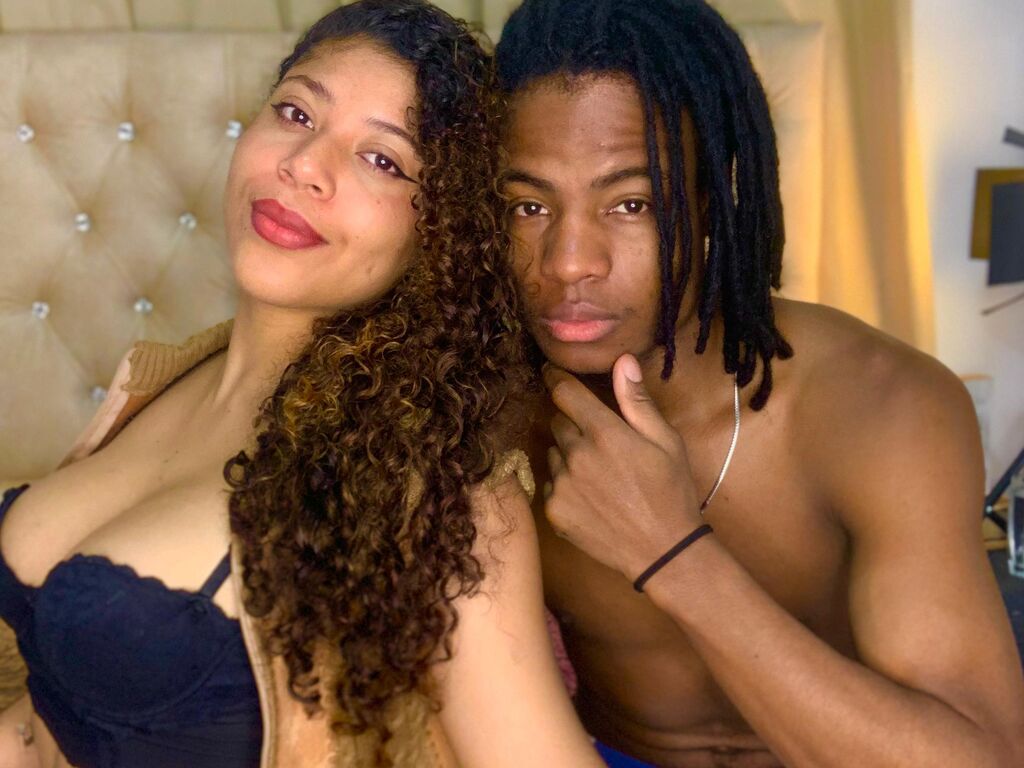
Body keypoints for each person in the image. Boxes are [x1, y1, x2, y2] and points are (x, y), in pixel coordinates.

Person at [0, 2, 604, 766]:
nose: (306, 166)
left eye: (382, 159)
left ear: (439, 233)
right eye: (295, 113)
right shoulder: (167, 375)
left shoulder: (436, 495)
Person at [494, 1, 1024, 766]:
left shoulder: (882, 405)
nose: (569, 261)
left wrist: (670, 551)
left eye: (632, 203)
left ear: (712, 197)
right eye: (529, 205)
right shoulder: (479, 414)